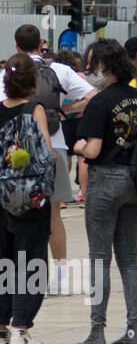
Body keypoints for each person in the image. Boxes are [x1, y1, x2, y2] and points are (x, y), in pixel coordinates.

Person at [3, 25, 92, 298]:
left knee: (11, 218)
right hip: (55, 149)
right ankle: (62, 275)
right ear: (41, 44)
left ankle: (17, 277)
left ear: (17, 46)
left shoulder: (6, 74)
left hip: (11, 160)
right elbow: (91, 96)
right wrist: (65, 110)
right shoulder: (61, 71)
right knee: (54, 214)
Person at [71, 40, 137, 344]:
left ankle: (97, 331)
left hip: (105, 181)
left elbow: (92, 149)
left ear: (105, 66)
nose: (90, 72)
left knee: (99, 259)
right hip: (134, 183)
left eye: (93, 66)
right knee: (128, 259)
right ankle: (134, 330)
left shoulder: (100, 102)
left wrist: (77, 147)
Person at [0, 54, 56, 344]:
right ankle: (22, 329)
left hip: (0, 197)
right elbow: (46, 153)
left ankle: (1, 331)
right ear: (33, 81)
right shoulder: (35, 110)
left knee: (4, 261)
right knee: (31, 261)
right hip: (29, 200)